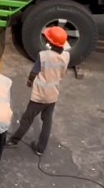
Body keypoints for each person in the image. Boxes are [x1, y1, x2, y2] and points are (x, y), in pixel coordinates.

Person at [8, 26, 70, 156]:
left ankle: (13, 141)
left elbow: (34, 72)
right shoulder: (66, 56)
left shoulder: (44, 56)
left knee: (27, 119)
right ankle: (40, 149)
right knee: (47, 121)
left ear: (50, 42)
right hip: (53, 94)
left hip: (40, 95)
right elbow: (62, 73)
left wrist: (29, 82)